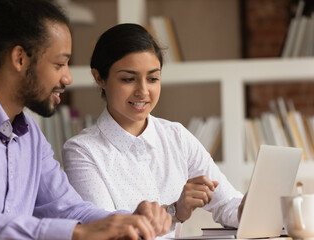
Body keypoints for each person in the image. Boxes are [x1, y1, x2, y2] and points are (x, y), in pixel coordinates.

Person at [0, 1, 172, 239]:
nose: (67, 78)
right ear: (19, 58)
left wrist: (128, 221)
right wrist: (76, 233)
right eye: (59, 64)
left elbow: (68, 209)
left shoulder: (30, 137)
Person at [62, 23, 244, 235]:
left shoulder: (177, 137)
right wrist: (176, 210)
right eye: (128, 79)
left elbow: (228, 203)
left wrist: (255, 207)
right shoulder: (81, 151)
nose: (143, 91)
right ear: (99, 77)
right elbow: (108, 234)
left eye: (153, 79)